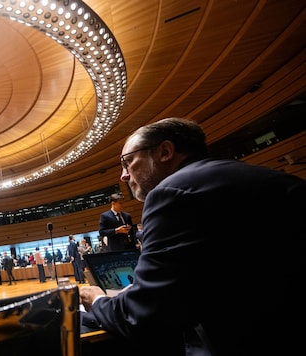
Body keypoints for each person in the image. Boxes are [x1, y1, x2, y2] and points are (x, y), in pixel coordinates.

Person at [79, 117, 306, 355]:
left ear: (165, 152)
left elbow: (143, 317)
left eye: (127, 162)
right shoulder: (277, 179)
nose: (123, 176)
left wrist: (96, 299)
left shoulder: (171, 192)